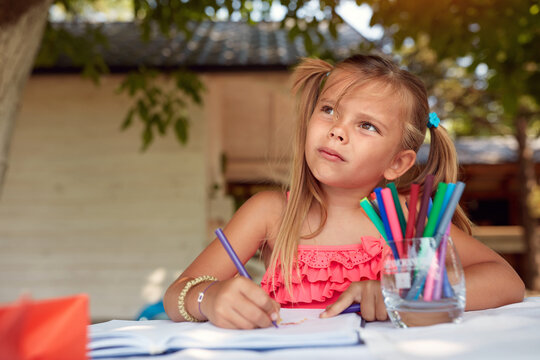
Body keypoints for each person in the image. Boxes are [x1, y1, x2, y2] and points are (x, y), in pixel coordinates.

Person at [163, 54, 525, 329]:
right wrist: (209, 297)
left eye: (367, 125)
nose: (337, 131)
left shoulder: (409, 220)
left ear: (397, 163)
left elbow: (507, 281)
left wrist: (399, 294)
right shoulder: (271, 212)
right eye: (329, 110)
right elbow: (177, 292)